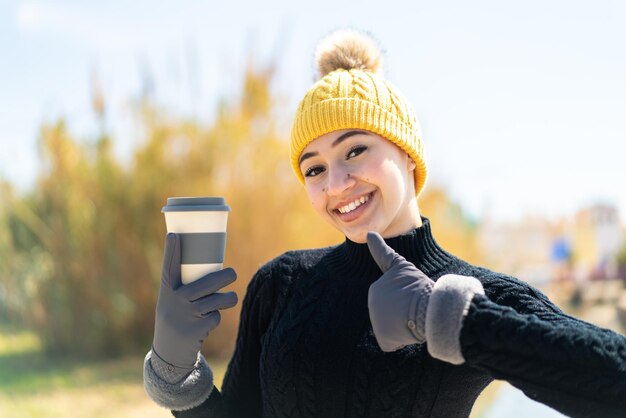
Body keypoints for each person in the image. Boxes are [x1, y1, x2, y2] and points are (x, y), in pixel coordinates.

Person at [143, 29, 626, 418]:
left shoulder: (472, 292)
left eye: (356, 150)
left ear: (408, 154)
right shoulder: (282, 283)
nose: (336, 183)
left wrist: (450, 319)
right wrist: (178, 373)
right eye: (314, 169)